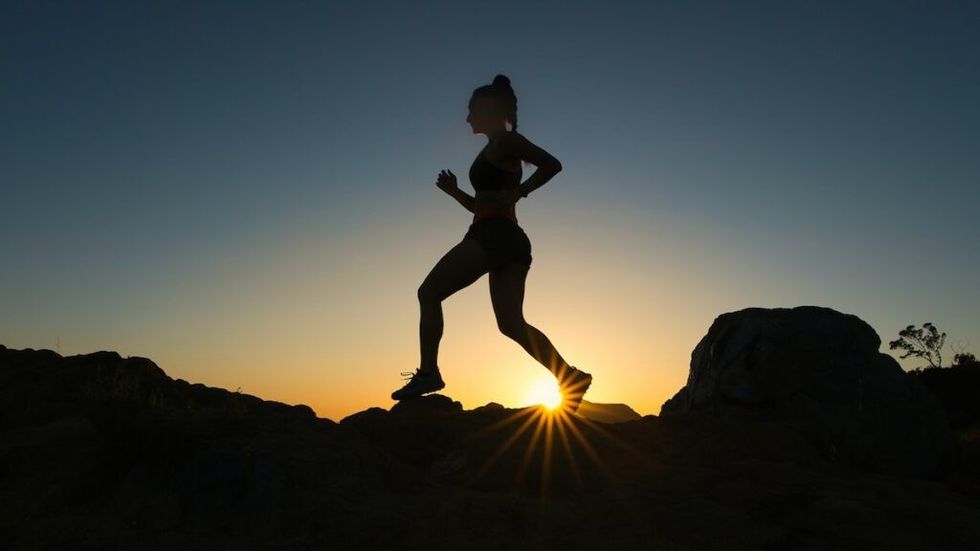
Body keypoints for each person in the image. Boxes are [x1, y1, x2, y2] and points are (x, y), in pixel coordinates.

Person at [391, 74, 592, 412]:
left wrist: (521, 191)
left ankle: (428, 373)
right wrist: (455, 193)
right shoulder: (496, 147)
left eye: (472, 110)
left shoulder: (506, 142)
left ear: (489, 110)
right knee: (511, 324)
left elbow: (552, 165)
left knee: (429, 293)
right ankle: (570, 376)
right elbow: (482, 206)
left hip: (493, 236)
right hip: (509, 239)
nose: (467, 118)